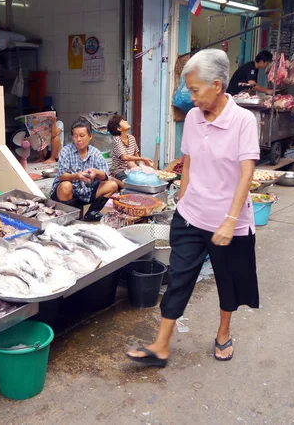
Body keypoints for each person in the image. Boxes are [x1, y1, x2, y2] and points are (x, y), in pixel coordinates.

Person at [127, 49, 260, 367]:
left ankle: (224, 332)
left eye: (195, 89)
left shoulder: (243, 121)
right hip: (191, 218)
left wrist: (230, 221)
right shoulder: (193, 118)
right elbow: (188, 163)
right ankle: (161, 345)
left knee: (228, 283)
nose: (190, 96)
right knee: (180, 277)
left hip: (230, 224)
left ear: (217, 86)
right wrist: (182, 200)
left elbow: (246, 176)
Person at [51, 118, 118, 221]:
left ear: (90, 136)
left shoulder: (95, 153)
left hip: (87, 192)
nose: (78, 139)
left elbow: (105, 176)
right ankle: (70, 218)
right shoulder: (65, 151)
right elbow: (61, 175)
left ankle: (91, 213)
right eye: (75, 136)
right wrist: (76, 176)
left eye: (82, 136)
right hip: (69, 193)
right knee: (65, 185)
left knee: (112, 185)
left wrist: (95, 173)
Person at [107, 114, 153, 181]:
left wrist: (143, 166)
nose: (126, 121)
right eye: (123, 121)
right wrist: (143, 159)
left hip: (131, 168)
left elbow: (136, 156)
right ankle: (113, 179)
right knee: (129, 183)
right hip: (119, 170)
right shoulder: (117, 139)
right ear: (119, 128)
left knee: (144, 178)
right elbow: (124, 157)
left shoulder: (131, 138)